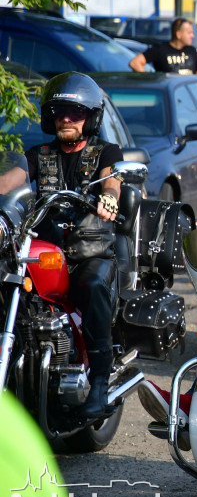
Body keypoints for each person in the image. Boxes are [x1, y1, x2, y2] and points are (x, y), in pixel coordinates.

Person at [25, 73, 123, 417]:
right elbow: (13, 180)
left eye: (75, 112)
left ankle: (99, 382)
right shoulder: (39, 154)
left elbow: (113, 181)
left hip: (91, 253)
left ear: (91, 117)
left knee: (93, 284)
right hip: (46, 253)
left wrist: (109, 199)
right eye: (59, 112)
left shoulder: (105, 152)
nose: (65, 118)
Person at [128, 17, 197, 75]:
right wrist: (150, 82)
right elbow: (135, 63)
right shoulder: (160, 50)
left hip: (187, 94)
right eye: (189, 33)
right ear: (179, 34)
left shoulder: (192, 51)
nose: (192, 36)